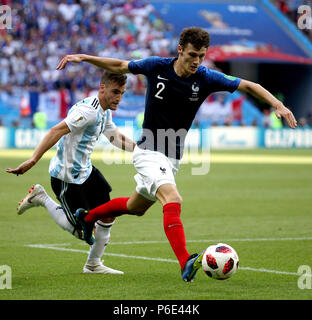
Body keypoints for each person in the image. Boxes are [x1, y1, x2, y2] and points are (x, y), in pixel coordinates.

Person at [56, 27, 297, 282]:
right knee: (173, 198)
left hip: (172, 158)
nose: (197, 61)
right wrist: (84, 57)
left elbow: (249, 84)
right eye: (192, 54)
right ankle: (186, 261)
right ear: (180, 50)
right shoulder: (156, 66)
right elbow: (119, 64)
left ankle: (87, 217)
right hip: (148, 151)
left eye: (202, 56)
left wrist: (278, 105)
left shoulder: (205, 78)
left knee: (134, 207)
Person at [6, 72, 136, 274]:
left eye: (122, 93)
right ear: (103, 88)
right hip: (67, 177)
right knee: (80, 231)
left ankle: (93, 265)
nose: (119, 97)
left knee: (108, 214)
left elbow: (114, 137)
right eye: (115, 92)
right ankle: (41, 197)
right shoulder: (89, 111)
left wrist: (142, 152)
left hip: (87, 171)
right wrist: (33, 160)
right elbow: (55, 131)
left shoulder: (104, 110)